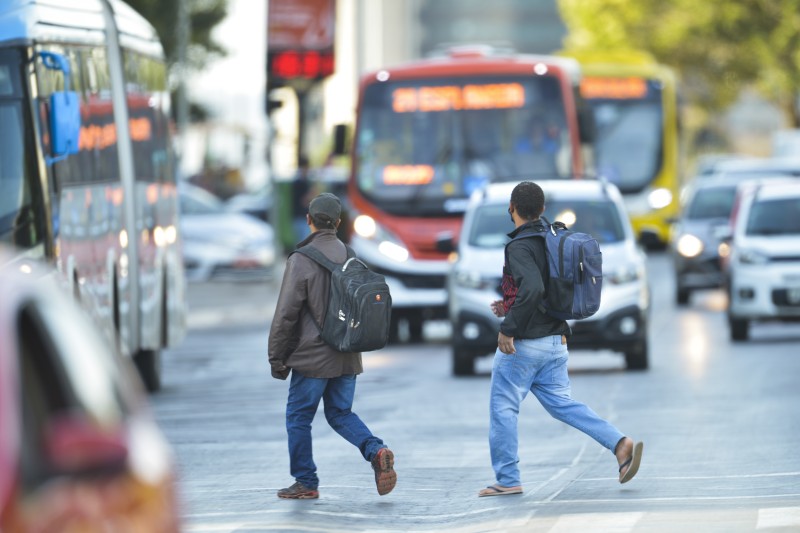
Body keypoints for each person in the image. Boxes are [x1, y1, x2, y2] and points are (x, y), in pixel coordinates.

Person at [478, 181, 643, 497]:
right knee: (563, 405)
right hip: (556, 342)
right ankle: (620, 444)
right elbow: (545, 292)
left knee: (503, 408)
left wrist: (508, 328)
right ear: (541, 209)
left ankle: (508, 478)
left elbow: (533, 290)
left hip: (525, 345)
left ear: (510, 208)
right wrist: (509, 308)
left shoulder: (519, 246)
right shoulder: (554, 239)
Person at [268, 192, 397, 499]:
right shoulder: (351, 256)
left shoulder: (301, 259)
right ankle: (375, 450)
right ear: (338, 223)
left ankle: (306, 482)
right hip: (347, 354)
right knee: (340, 413)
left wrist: (277, 357)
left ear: (310, 221)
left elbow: (287, 313)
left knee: (299, 418)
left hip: (312, 358)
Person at [291, 155, 315, 241]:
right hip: (301, 218)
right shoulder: (300, 183)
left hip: (300, 217)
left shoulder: (301, 181)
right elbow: (303, 201)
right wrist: (311, 193)